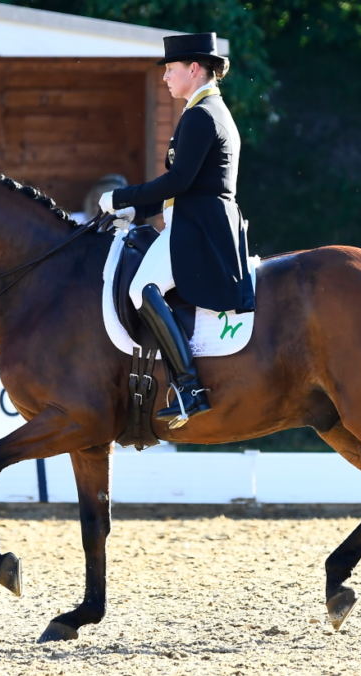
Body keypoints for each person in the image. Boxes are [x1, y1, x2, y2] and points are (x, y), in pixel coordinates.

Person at [98, 32, 254, 429]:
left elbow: (180, 181)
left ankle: (189, 387)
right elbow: (184, 185)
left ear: (194, 69)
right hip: (193, 219)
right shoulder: (203, 111)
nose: (166, 77)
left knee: (140, 289)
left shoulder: (202, 116)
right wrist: (136, 208)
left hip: (198, 228)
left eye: (170, 69)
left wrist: (119, 197)